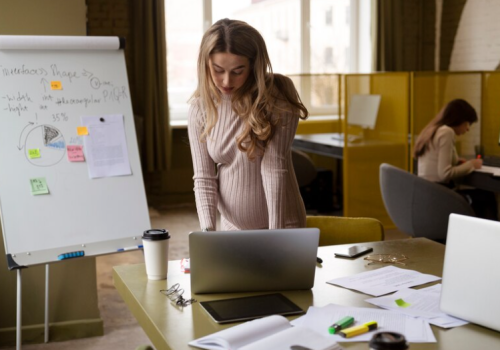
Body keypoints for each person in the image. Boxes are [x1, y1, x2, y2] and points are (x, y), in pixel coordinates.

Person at [188, 18, 308, 231]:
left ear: (254, 65)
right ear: (206, 64)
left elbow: (274, 167)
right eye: (217, 70)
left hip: (283, 225)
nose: (226, 81)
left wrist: (276, 234)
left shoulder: (277, 95)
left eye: (237, 71)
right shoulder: (200, 107)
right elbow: (205, 178)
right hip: (232, 227)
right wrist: (208, 232)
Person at [414, 98, 497, 220]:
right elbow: (445, 174)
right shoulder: (447, 132)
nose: (468, 129)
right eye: (468, 123)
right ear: (459, 120)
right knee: (487, 196)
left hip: (426, 193)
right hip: (439, 194)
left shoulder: (433, 129)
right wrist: (472, 165)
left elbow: (435, 161)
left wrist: (456, 162)